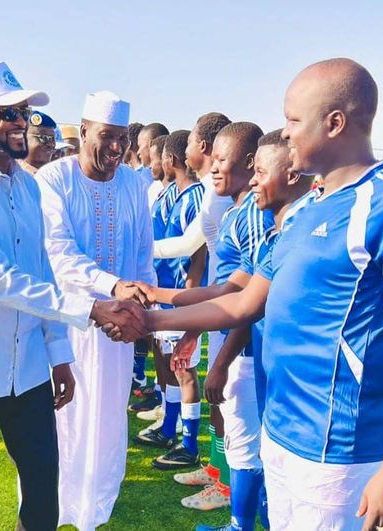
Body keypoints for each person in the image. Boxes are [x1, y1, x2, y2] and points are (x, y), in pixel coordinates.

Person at [125, 58, 383, 531]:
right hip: (279, 432)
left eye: (294, 120)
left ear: (335, 123)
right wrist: (149, 318)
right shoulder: (302, 210)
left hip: (341, 452)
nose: (286, 133)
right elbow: (244, 302)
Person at [0, 61, 146, 531]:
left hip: (28, 370)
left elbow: (41, 270)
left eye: (22, 110)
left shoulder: (27, 185)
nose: (20, 121)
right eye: (7, 113)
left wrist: (59, 355)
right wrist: (92, 307)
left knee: (44, 488)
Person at [36, 90, 156, 530]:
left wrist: (144, 304)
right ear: (84, 130)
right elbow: (59, 252)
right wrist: (111, 286)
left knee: (107, 416)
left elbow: (143, 254)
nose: (115, 148)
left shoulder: (135, 183)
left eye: (122, 138)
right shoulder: (53, 179)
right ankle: (59, 503)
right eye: (106, 136)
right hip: (67, 318)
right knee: (64, 413)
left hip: (120, 325)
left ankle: (94, 507)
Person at [151, 112, 234, 510]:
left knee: (226, 395)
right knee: (221, 397)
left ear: (203, 147)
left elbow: (189, 247)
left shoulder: (216, 193)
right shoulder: (210, 190)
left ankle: (228, 481)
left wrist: (138, 253)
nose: (183, 151)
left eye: (188, 143)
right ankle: (218, 470)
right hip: (215, 300)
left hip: (225, 302)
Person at [134, 131, 207, 466]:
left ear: (170, 159)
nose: (153, 159)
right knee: (165, 361)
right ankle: (169, 424)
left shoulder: (197, 197)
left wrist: (187, 300)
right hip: (162, 293)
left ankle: (189, 442)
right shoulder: (170, 195)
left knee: (184, 369)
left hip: (181, 297)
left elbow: (197, 253)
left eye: (158, 154)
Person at [19, 110, 57, 174]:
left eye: (52, 139)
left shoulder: (54, 176)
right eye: (44, 138)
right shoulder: (11, 173)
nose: (51, 144)